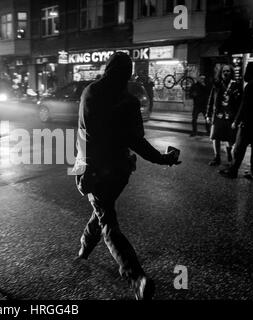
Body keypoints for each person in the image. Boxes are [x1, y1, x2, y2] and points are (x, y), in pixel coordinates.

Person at [72, 52, 181, 300]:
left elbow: (83, 136)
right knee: (102, 211)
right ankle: (84, 248)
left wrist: (81, 171)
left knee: (107, 220)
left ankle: (136, 277)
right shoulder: (129, 101)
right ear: (128, 74)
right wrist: (163, 158)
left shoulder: (91, 93)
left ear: (107, 68)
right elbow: (137, 142)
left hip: (98, 170)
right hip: (120, 171)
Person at [219, 62, 253, 179]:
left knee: (239, 148)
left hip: (248, 123)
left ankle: (233, 171)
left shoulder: (250, 85)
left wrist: (236, 121)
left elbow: (244, 105)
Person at [206, 64, 242, 166]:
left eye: (228, 71)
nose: (226, 73)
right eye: (224, 71)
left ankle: (229, 150)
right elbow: (211, 100)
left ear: (231, 73)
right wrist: (208, 114)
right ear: (221, 73)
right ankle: (217, 157)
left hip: (230, 116)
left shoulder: (236, 85)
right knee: (215, 137)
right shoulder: (217, 85)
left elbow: (240, 103)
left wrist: (238, 119)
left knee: (230, 138)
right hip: (218, 115)